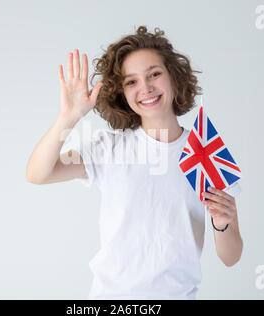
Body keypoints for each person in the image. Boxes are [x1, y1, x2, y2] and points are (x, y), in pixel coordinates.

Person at [26, 26, 243, 300]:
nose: (146, 88)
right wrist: (68, 118)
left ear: (174, 78)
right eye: (132, 82)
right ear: (123, 94)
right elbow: (38, 173)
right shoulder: (108, 148)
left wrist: (222, 223)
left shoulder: (207, 153)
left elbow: (231, 257)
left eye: (154, 74)